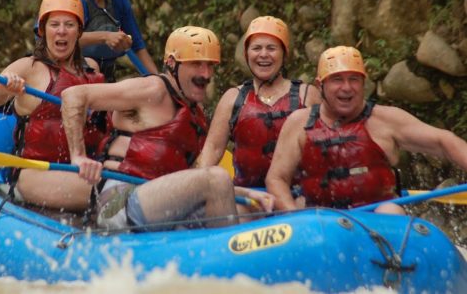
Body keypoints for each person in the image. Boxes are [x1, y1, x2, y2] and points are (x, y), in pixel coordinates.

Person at [61, 26, 272, 231]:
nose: (206, 74)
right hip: (120, 200)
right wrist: (78, 156)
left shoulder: (194, 114)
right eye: (197, 64)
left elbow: (189, 179)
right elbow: (73, 96)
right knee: (216, 177)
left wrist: (245, 192)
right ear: (172, 64)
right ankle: (229, 257)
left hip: (160, 201)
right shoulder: (152, 89)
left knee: (246, 210)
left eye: (210, 65)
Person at [266, 45, 467, 212]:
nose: (347, 87)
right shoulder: (298, 123)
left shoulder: (386, 119)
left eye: (354, 79)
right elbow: (277, 178)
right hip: (322, 220)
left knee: (391, 211)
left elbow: (444, 141)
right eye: (337, 80)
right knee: (301, 207)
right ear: (320, 85)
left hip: (376, 219)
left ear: (363, 83)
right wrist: (294, 216)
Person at [0, 0, 106, 211]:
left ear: (79, 31)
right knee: (108, 194)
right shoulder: (28, 67)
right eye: (54, 24)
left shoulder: (91, 68)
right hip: (36, 171)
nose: (61, 31)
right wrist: (2, 88)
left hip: (83, 168)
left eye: (69, 25)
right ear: (43, 31)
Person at [197, 16, 320, 213]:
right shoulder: (233, 99)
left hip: (297, 195)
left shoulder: (307, 95)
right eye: (256, 48)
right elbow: (211, 151)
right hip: (248, 199)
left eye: (271, 48)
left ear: (283, 54)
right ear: (246, 54)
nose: (263, 55)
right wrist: (191, 187)